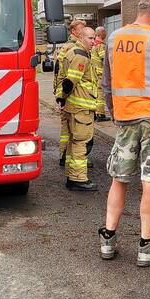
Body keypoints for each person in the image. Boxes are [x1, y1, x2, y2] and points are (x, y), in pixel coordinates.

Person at [99, 0, 150, 267]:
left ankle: (108, 239)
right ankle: (146, 247)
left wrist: (114, 112)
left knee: (119, 177)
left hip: (125, 118)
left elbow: (106, 84)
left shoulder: (113, 39)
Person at [58, 26, 100, 191]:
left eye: (94, 38)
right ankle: (78, 179)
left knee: (73, 142)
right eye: (90, 38)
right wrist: (62, 97)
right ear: (81, 37)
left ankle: (72, 175)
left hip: (73, 107)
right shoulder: (81, 56)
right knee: (80, 143)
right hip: (81, 109)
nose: (93, 42)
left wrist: (61, 98)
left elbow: (62, 78)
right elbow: (70, 82)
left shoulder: (72, 52)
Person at [54, 19, 87, 167]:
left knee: (66, 128)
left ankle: (65, 157)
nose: (83, 32)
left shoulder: (66, 46)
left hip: (65, 93)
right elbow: (66, 74)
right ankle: (67, 158)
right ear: (73, 31)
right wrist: (62, 96)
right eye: (81, 29)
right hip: (71, 95)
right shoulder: (73, 48)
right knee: (72, 130)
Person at [91, 26, 110, 122]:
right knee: (100, 95)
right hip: (100, 74)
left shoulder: (93, 44)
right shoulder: (101, 46)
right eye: (104, 32)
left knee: (95, 94)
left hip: (93, 73)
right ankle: (100, 114)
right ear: (101, 33)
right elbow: (105, 59)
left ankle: (95, 113)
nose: (106, 33)